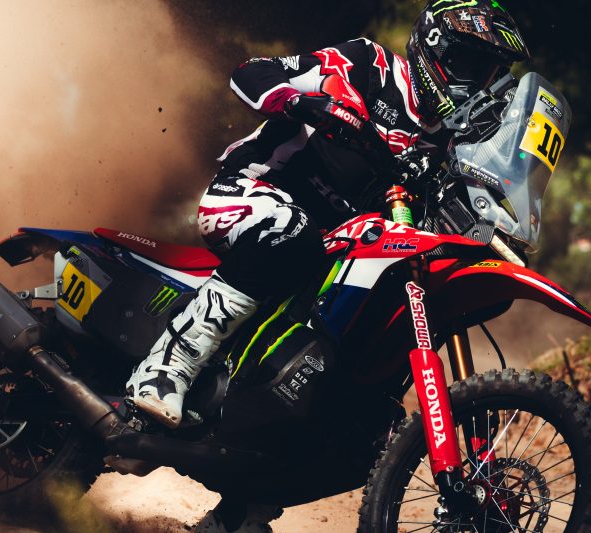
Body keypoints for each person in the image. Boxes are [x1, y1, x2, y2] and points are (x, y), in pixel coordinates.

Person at [126, 0, 530, 438]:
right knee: (292, 231)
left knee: (382, 297)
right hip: (252, 193)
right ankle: (165, 367)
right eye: (472, 65)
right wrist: (307, 104)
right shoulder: (371, 65)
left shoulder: (450, 142)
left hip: (332, 244)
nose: (478, 83)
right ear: (436, 49)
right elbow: (252, 72)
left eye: (489, 73)